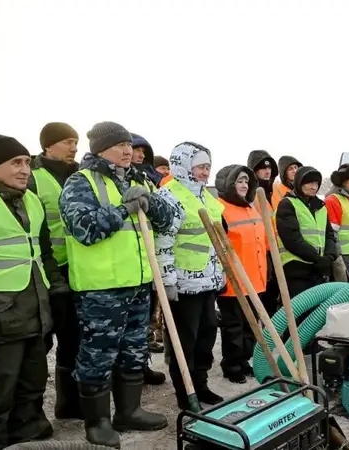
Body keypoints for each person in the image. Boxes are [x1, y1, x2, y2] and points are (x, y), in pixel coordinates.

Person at [60, 122, 173, 447]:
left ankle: (129, 410)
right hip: (101, 289)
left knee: (134, 350)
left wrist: (151, 203)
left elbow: (166, 222)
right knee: (98, 355)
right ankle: (97, 422)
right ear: (99, 149)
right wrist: (124, 208)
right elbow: (85, 229)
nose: (127, 150)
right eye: (120, 145)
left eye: (128, 144)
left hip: (138, 284)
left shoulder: (138, 178)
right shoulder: (80, 183)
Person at [0, 134, 67, 450]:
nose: (25, 169)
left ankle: (26, 432)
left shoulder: (31, 200)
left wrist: (58, 293)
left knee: (32, 383)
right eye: (15, 162)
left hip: (33, 311)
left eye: (27, 162)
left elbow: (43, 254)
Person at [155, 142, 226, 410]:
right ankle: (185, 391)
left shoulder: (207, 197)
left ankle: (201, 383)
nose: (205, 172)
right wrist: (168, 280)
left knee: (207, 334)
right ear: (184, 166)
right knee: (186, 339)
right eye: (200, 166)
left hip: (208, 279)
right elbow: (163, 243)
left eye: (208, 166)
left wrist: (220, 274)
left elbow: (216, 242)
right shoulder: (169, 196)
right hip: (183, 284)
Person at [28, 122, 84, 419]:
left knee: (73, 337)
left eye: (76, 141)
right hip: (45, 270)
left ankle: (69, 404)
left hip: (78, 269)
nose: (74, 147)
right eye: (67, 141)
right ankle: (31, 411)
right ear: (48, 145)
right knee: (43, 338)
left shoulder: (79, 176)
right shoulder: (33, 178)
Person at [214, 165, 267, 385]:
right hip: (233, 280)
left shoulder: (252, 207)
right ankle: (232, 365)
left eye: (246, 181)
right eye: (239, 181)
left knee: (250, 325)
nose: (244, 185)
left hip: (255, 278)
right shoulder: (220, 209)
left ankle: (245, 360)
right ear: (228, 184)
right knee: (233, 326)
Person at [130, 133, 168, 380]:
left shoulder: (148, 181)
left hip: (148, 259)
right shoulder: (121, 181)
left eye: (145, 151)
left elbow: (162, 216)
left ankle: (141, 366)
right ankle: (129, 373)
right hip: (126, 262)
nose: (141, 155)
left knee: (143, 319)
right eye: (136, 149)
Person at [275, 166, 338, 297]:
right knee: (302, 311)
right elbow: (292, 239)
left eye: (316, 183)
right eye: (309, 183)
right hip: (297, 269)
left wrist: (329, 257)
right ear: (299, 183)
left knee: (318, 312)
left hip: (318, 269)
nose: (313, 187)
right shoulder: (287, 204)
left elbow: (329, 235)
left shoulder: (321, 207)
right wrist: (317, 258)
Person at [248, 150, 280, 317]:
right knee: (265, 299)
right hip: (262, 253)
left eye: (269, 168)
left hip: (275, 252)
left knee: (274, 298)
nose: (266, 171)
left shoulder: (273, 193)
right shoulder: (252, 195)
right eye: (261, 168)